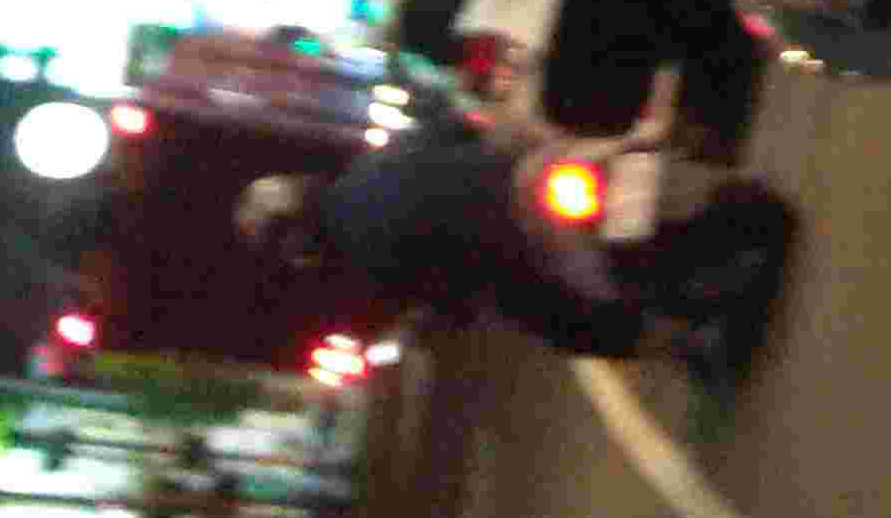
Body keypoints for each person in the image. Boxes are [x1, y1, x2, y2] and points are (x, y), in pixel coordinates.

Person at [238, 132, 798, 374]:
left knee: (562, 325)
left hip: (522, 245)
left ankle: (686, 339)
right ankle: (712, 193)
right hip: (529, 174)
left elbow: (450, 300)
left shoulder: (366, 256)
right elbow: (457, 131)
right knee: (607, 153)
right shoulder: (379, 160)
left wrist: (440, 316)